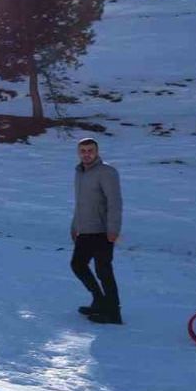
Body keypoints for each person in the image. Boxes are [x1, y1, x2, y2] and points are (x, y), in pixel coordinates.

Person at [70, 137, 124, 324]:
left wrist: (113, 229)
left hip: (103, 231)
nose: (87, 154)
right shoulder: (80, 172)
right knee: (78, 265)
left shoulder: (107, 172)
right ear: (79, 153)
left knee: (104, 272)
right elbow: (80, 203)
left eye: (90, 150)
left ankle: (113, 313)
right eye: (83, 151)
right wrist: (75, 226)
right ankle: (99, 301)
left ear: (97, 152)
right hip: (85, 230)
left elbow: (115, 202)